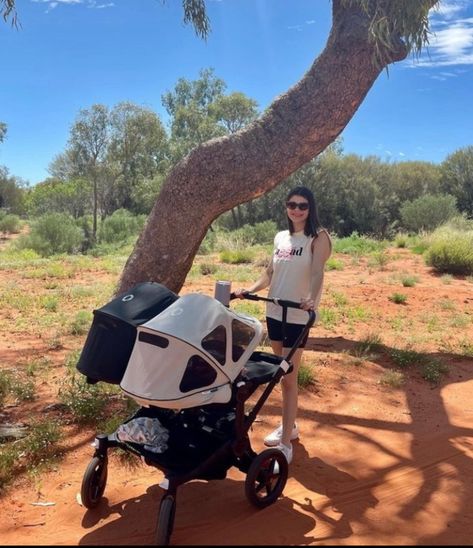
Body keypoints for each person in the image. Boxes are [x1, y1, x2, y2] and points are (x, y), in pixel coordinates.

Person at [234, 186, 332, 464]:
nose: (297, 210)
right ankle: (292, 425)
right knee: (279, 374)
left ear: (310, 208)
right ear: (286, 207)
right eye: (292, 205)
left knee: (289, 378)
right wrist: (248, 289)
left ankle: (286, 443)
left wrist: (311, 299)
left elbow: (317, 272)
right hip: (275, 312)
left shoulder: (318, 237)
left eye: (302, 205)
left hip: (298, 316)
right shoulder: (281, 237)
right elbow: (270, 271)